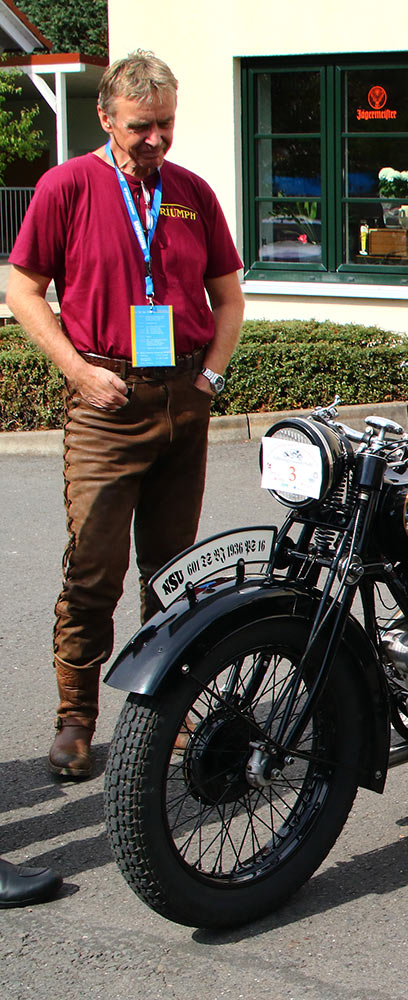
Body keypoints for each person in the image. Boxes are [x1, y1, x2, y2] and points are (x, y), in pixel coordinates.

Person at [6, 50, 244, 780]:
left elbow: (228, 297)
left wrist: (208, 375)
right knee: (94, 571)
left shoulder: (191, 193)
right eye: (142, 126)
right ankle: (76, 718)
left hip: (182, 399)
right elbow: (22, 287)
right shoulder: (67, 185)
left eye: (166, 124)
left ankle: (167, 711)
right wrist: (78, 371)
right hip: (105, 402)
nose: (156, 140)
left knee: (175, 574)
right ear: (107, 118)